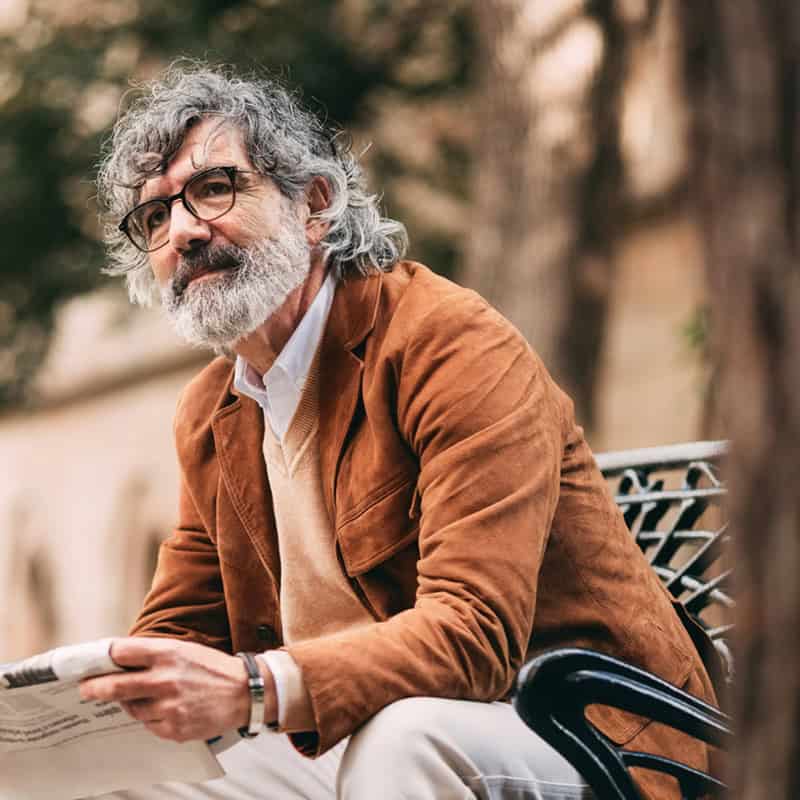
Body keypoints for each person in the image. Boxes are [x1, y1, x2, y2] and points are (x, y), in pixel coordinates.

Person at [81, 64, 717, 800]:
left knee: (403, 738)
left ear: (313, 204)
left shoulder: (448, 341)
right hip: (358, 729)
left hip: (586, 730)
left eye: (215, 188)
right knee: (127, 778)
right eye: (154, 218)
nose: (184, 231)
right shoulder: (212, 410)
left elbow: (474, 633)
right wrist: (75, 707)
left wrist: (256, 688)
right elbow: (181, 628)